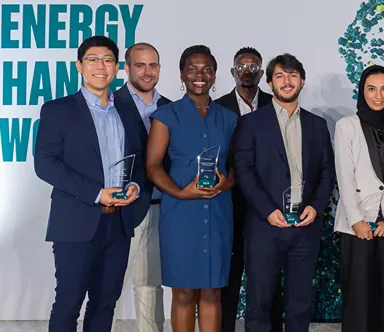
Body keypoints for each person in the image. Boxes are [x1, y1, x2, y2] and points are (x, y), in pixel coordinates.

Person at [34, 35, 151, 332]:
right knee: (68, 303)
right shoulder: (57, 110)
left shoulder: (127, 110)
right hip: (76, 223)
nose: (101, 66)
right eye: (93, 60)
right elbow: (45, 164)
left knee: (105, 303)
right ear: (80, 66)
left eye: (108, 60)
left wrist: (135, 186)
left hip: (119, 224)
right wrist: (98, 194)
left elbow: (138, 160)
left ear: (117, 68)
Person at [233, 53, 335, 332]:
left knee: (299, 304)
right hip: (265, 227)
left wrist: (315, 207)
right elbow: (244, 171)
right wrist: (268, 211)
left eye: (292, 76)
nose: (287, 81)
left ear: (302, 81)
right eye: (280, 76)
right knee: (259, 303)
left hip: (305, 226)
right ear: (269, 82)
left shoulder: (317, 124)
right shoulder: (252, 123)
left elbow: (327, 171)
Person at [146, 45, 238, 332]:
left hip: (219, 210)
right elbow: (153, 166)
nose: (200, 75)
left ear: (214, 76)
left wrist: (228, 182)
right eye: (192, 69)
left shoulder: (229, 117)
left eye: (207, 69)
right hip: (180, 213)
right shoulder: (166, 115)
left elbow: (238, 167)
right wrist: (181, 192)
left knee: (213, 291)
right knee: (184, 292)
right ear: (182, 75)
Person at [333, 64, 384, 332]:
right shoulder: (346, 126)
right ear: (362, 92)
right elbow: (345, 176)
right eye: (372, 89)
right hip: (356, 225)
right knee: (358, 296)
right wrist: (356, 220)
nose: (379, 95)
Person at [214, 46, 282, 332]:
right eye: (241, 67)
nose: (247, 72)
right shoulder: (218, 107)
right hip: (230, 205)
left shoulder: (276, 104)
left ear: (262, 73)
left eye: (254, 67)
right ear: (232, 72)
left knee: (269, 279)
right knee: (229, 279)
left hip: (268, 206)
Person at [111, 42, 172, 332]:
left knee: (150, 286)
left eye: (153, 65)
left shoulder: (171, 108)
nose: (147, 72)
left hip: (160, 209)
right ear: (127, 68)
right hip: (118, 210)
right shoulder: (109, 104)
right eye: (140, 65)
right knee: (107, 287)